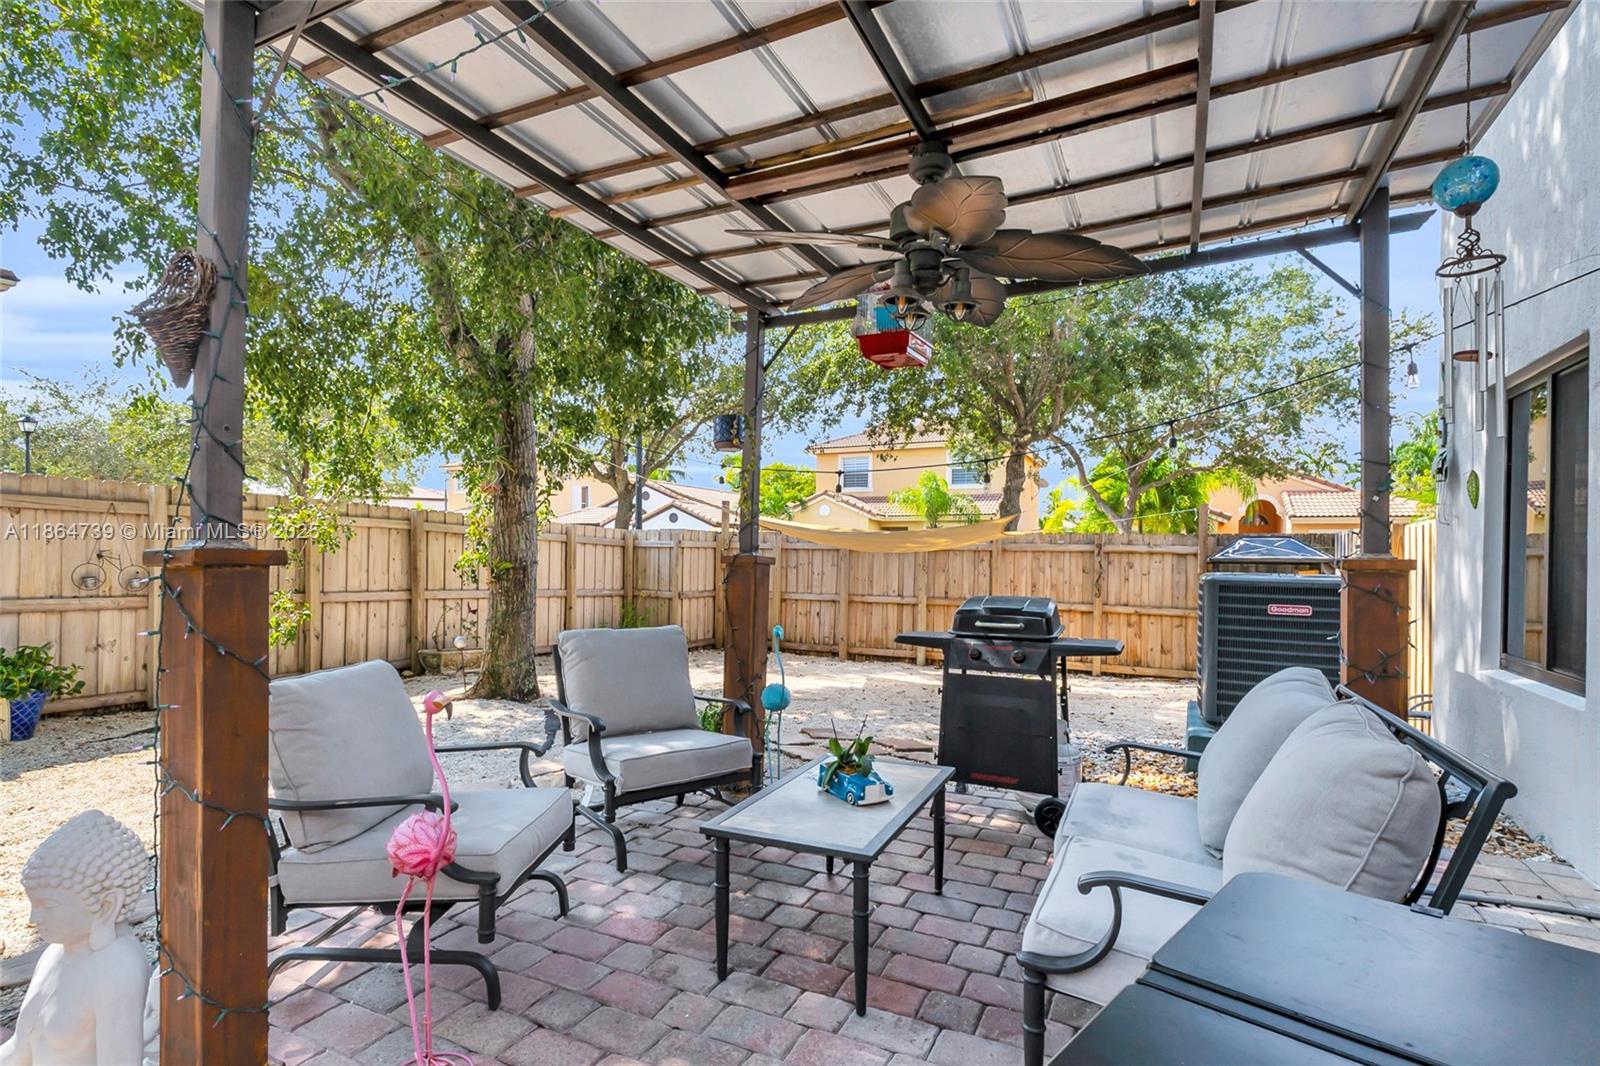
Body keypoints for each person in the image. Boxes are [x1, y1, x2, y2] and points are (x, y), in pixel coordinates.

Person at [1, 811, 151, 1065]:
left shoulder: (119, 970)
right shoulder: (56, 952)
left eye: (47, 905)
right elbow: (20, 1049)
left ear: (106, 906)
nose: (33, 918)